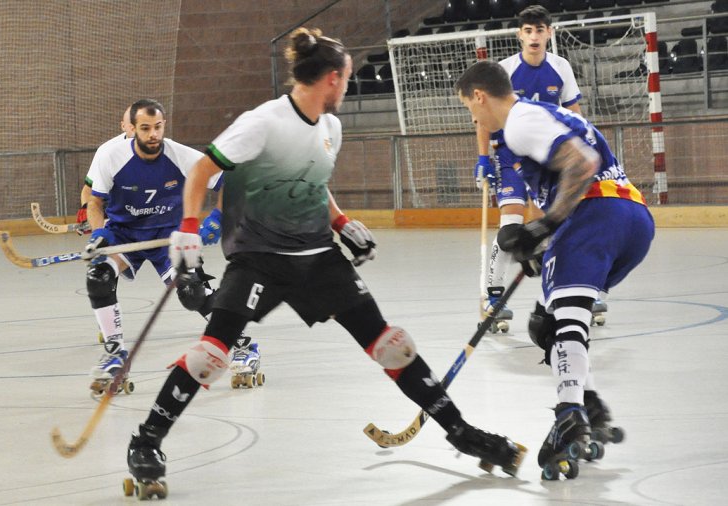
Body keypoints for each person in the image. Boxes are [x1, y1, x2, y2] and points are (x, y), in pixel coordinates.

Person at [123, 28, 526, 497]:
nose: (349, 86)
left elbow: (313, 182)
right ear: (332, 78)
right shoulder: (264, 122)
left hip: (317, 256)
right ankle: (146, 441)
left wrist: (340, 222)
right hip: (259, 257)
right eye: (348, 78)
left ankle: (462, 432)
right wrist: (188, 231)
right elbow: (202, 170)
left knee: (391, 346)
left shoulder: (330, 127)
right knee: (211, 354)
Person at [456, 60, 654, 477]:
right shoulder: (544, 114)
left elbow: (579, 165)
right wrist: (539, 245)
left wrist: (544, 225)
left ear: (479, 95)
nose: (474, 119)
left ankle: (569, 414)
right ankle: (590, 405)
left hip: (595, 216)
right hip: (631, 219)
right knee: (549, 323)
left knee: (565, 327)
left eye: (470, 110)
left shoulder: (519, 121)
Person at [473, 5, 610, 329]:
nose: (534, 36)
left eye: (540, 30)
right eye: (528, 31)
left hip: (550, 158)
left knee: (566, 220)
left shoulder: (561, 68)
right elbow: (483, 115)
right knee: (511, 226)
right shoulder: (503, 71)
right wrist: (483, 158)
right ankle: (492, 295)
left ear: (549, 33)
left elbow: (575, 114)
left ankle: (584, 288)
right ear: (519, 35)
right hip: (510, 155)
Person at [85, 98, 224, 390]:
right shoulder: (110, 155)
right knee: (99, 277)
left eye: (158, 127)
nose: (153, 135)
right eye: (145, 128)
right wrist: (100, 233)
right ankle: (115, 354)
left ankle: (241, 343)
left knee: (193, 293)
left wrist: (217, 218)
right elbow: (94, 202)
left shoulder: (180, 155)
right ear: (132, 129)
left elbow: (229, 182)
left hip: (170, 238)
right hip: (125, 235)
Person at [77, 106, 135, 235]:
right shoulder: (106, 151)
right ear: (123, 126)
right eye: (132, 125)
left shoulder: (163, 149)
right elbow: (88, 189)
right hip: (116, 212)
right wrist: (88, 211)